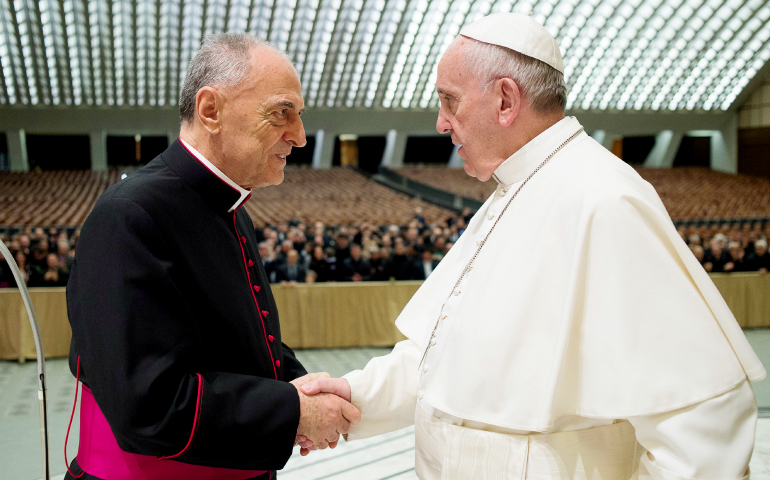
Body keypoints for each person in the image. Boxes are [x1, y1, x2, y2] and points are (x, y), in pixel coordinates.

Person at [300, 13, 765, 479]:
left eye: (449, 101)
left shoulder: (602, 198)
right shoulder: (513, 190)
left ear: (505, 99)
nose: (441, 123)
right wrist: (350, 394)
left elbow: (703, 424)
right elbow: (443, 359)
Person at [65, 33, 359, 480]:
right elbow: (150, 404)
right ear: (210, 110)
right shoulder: (130, 216)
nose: (298, 137)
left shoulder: (233, 212)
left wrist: (300, 385)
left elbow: (240, 336)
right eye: (283, 112)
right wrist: (292, 412)